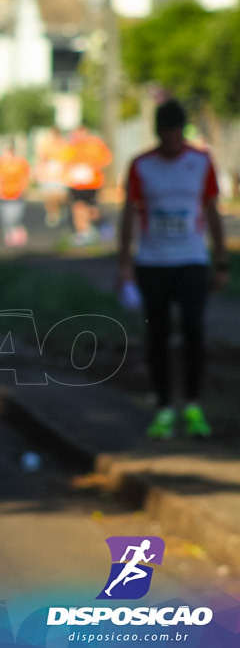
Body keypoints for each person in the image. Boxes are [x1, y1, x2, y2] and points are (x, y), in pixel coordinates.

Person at [116, 99, 228, 440]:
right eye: (165, 136)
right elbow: (129, 214)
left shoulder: (200, 162)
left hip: (192, 259)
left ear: (183, 132)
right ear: (158, 134)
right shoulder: (141, 165)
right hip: (153, 262)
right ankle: (164, 407)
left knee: (193, 329)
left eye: (176, 135)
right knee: (158, 335)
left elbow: (211, 211)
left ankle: (192, 404)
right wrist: (124, 263)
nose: (171, 142)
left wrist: (221, 260)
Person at [62, 126, 112, 245]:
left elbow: (107, 160)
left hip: (92, 182)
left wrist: (92, 167)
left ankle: (100, 224)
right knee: (78, 206)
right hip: (77, 183)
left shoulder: (95, 144)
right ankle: (83, 233)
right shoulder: (72, 145)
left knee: (92, 209)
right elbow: (65, 162)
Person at [0, 143, 31, 247]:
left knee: (15, 217)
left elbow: (25, 177)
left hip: (17, 194)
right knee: (6, 218)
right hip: (4, 194)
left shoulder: (20, 163)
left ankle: (17, 234)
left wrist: (24, 189)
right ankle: (8, 236)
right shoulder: (0, 163)